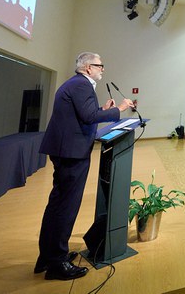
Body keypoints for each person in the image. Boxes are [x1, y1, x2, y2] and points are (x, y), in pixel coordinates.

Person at [36, 52, 133, 281]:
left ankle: (48, 256)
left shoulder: (76, 84)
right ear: (88, 67)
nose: (103, 69)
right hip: (71, 153)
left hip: (66, 151)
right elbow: (89, 117)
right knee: (65, 207)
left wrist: (104, 110)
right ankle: (56, 264)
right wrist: (118, 109)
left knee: (58, 205)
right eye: (100, 65)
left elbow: (85, 115)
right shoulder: (82, 85)